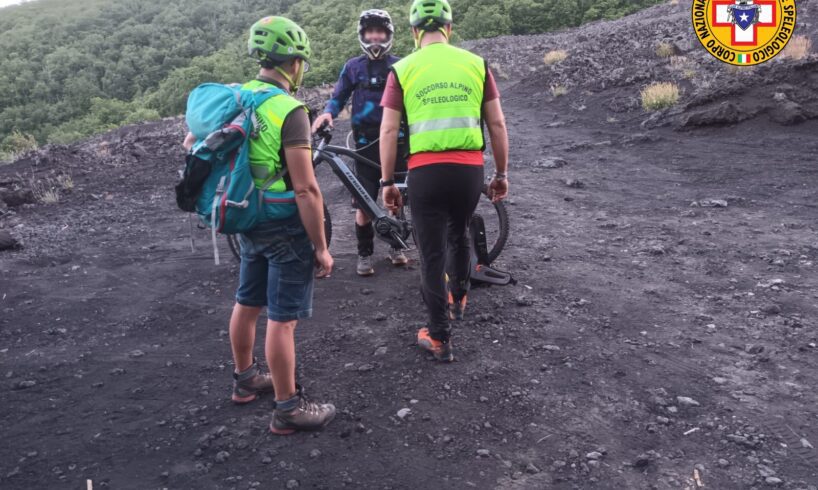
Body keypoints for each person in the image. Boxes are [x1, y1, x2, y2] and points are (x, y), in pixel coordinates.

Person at [185, 16, 336, 434]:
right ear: (294, 64)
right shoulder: (290, 110)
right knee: (283, 319)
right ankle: (288, 409)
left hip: (243, 213)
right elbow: (306, 189)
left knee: (248, 302)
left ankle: (245, 378)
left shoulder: (237, 97)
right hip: (282, 221)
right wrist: (320, 246)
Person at [378, 0, 510, 362]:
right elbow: (497, 125)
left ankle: (439, 337)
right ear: (450, 29)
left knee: (432, 254)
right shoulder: (476, 64)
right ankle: (460, 297)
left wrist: (388, 181)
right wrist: (500, 174)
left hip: (425, 172)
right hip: (469, 170)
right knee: (459, 231)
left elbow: (389, 129)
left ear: (414, 32)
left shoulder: (401, 69)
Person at [311, 9, 409, 277]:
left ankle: (396, 248)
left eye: (380, 32)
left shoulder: (401, 66)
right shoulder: (353, 67)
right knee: (364, 205)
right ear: (363, 35)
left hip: (398, 143)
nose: (375, 37)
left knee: (395, 200)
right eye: (370, 32)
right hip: (364, 145)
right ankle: (364, 254)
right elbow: (338, 97)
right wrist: (328, 113)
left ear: (388, 35)